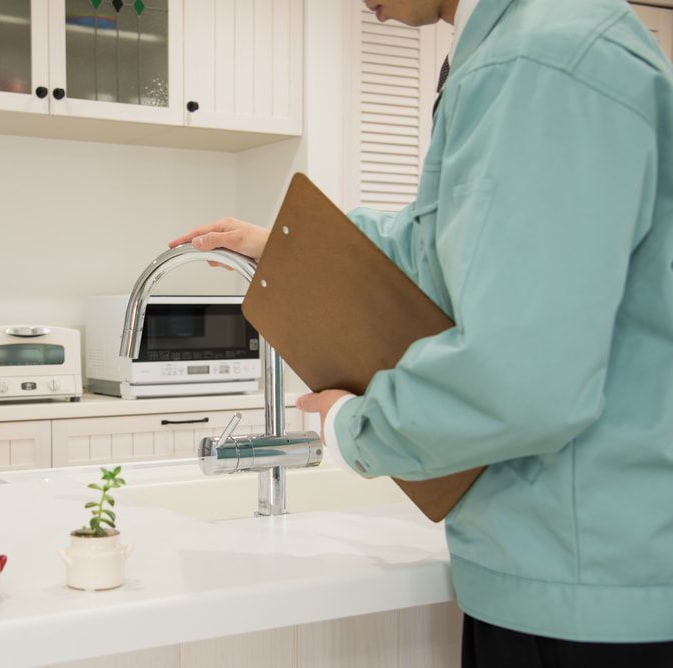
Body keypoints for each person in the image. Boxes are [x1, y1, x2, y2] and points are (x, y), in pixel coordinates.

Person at [170, 0, 673, 666]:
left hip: (583, 589)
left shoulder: (541, 61)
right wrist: (286, 247)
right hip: (564, 565)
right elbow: (438, 243)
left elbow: (524, 378)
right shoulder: (529, 48)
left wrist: (355, 425)